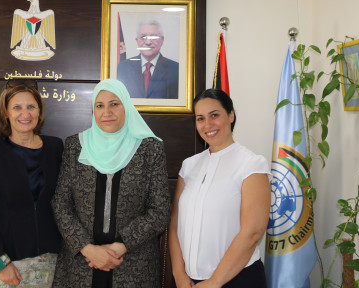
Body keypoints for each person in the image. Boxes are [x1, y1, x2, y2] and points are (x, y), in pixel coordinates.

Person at [52, 78, 171, 287]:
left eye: (114, 104)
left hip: (133, 265)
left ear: (126, 107)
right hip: (82, 264)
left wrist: (120, 246)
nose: (106, 112)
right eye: (99, 106)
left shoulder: (149, 148)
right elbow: (61, 204)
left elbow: (160, 211)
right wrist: (87, 248)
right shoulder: (75, 146)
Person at [169, 89, 271, 288]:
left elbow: (253, 232)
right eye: (200, 118)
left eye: (214, 115)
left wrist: (215, 282)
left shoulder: (252, 164)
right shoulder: (189, 165)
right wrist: (178, 273)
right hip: (186, 281)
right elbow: (175, 223)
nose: (207, 125)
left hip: (237, 280)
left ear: (231, 115)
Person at [0, 80, 64, 288]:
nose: (25, 114)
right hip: (7, 266)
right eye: (17, 107)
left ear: (39, 111)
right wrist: (0, 261)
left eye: (31, 106)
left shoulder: (55, 147)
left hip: (50, 263)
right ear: (6, 113)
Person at [117, 20, 179, 99]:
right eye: (143, 37)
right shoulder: (123, 68)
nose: (148, 42)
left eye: (153, 37)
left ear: (162, 40)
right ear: (137, 40)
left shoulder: (176, 70)